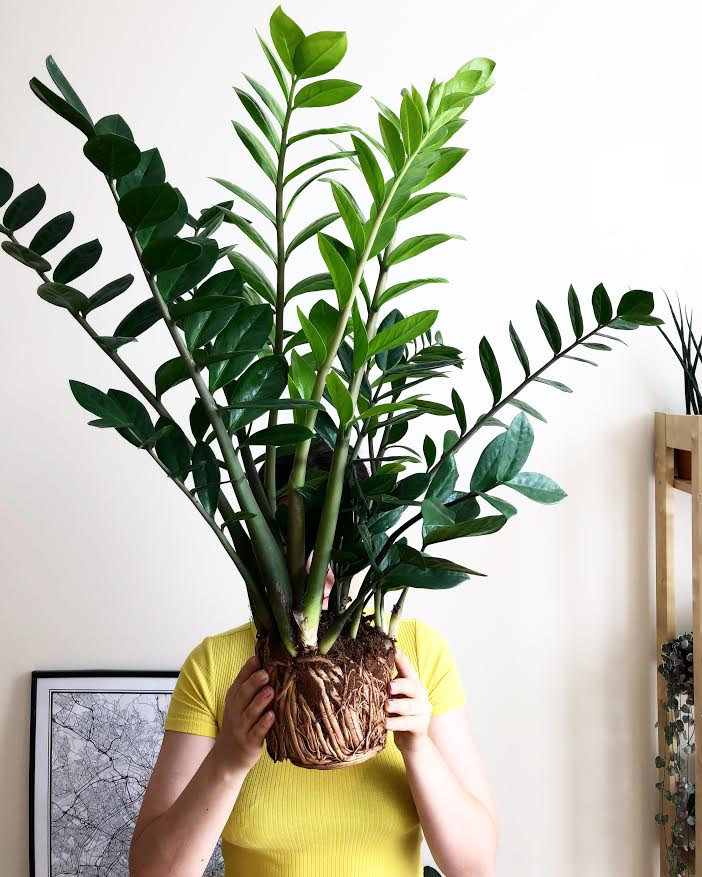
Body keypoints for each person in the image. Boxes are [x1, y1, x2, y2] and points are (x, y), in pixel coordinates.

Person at [128, 442, 499, 877]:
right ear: (263, 543)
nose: (321, 572)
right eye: (297, 544)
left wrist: (418, 747)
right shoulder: (216, 665)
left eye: (337, 548)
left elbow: (475, 866)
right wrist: (228, 761)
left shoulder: (414, 652)